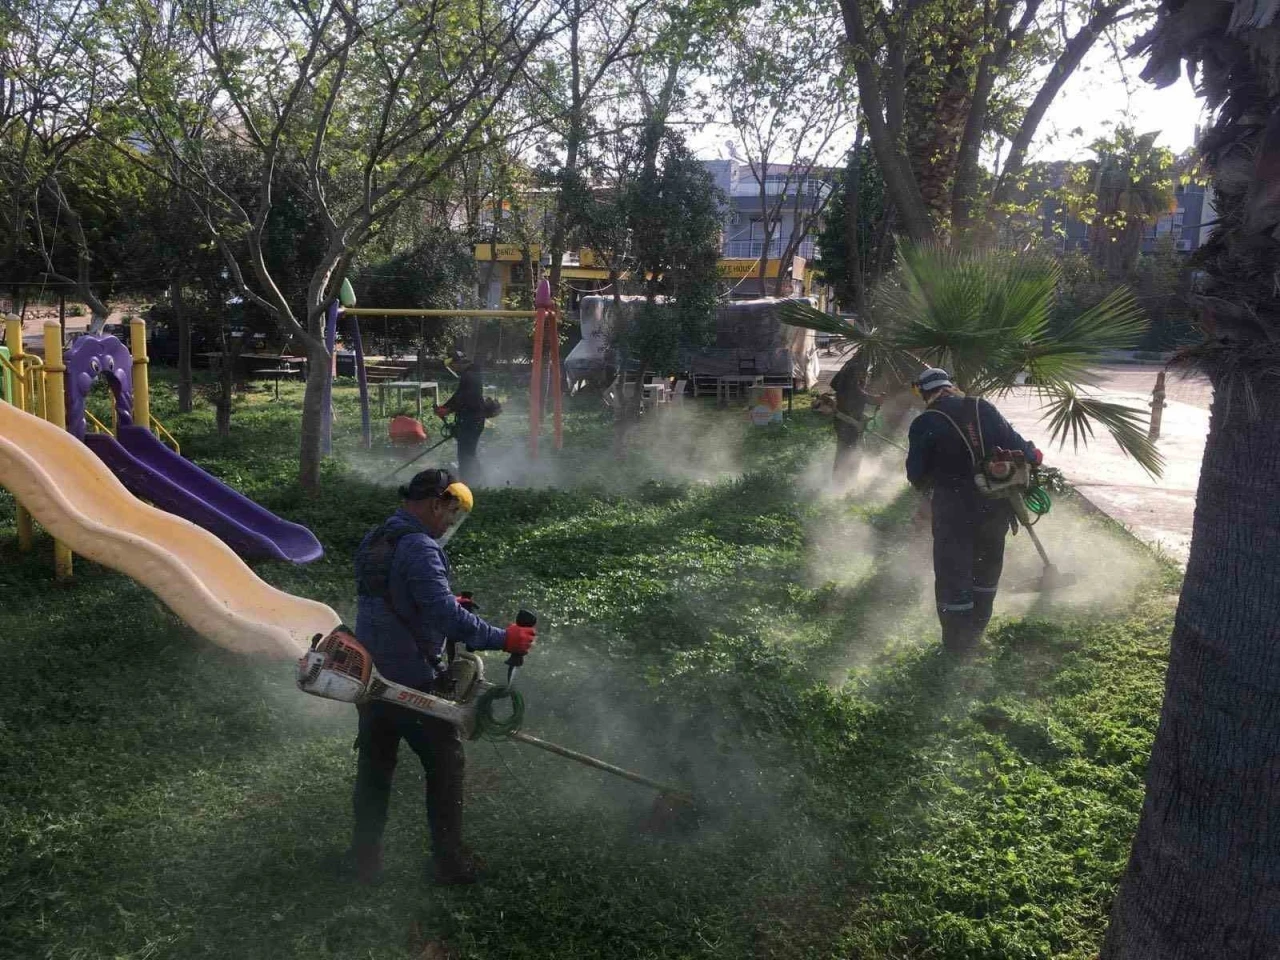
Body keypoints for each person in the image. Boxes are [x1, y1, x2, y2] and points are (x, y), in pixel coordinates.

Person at [347, 468, 537, 885]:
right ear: (437, 503)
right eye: (452, 513)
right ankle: (449, 864)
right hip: (413, 683)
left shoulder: (378, 537)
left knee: (375, 768)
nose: (451, 523)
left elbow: (391, 598)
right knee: (446, 764)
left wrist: (443, 598)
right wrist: (504, 638)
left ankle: (363, 860)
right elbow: (444, 617)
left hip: (371, 678)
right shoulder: (419, 546)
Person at [905, 367, 1043, 655]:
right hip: (995, 507)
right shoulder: (983, 407)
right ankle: (976, 635)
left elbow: (916, 475)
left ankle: (957, 647)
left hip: (953, 513)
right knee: (987, 570)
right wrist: (1031, 456)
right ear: (949, 386)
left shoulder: (925, 421)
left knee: (953, 575)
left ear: (924, 392)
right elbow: (1025, 449)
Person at [435, 350, 486, 485]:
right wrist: (446, 407)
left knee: (466, 454)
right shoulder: (471, 373)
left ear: (457, 363)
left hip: (472, 420)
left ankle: (469, 483)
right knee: (468, 453)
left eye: (453, 366)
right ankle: (475, 481)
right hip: (472, 419)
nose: (453, 369)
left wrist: (448, 410)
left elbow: (466, 398)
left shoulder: (469, 376)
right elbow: (459, 394)